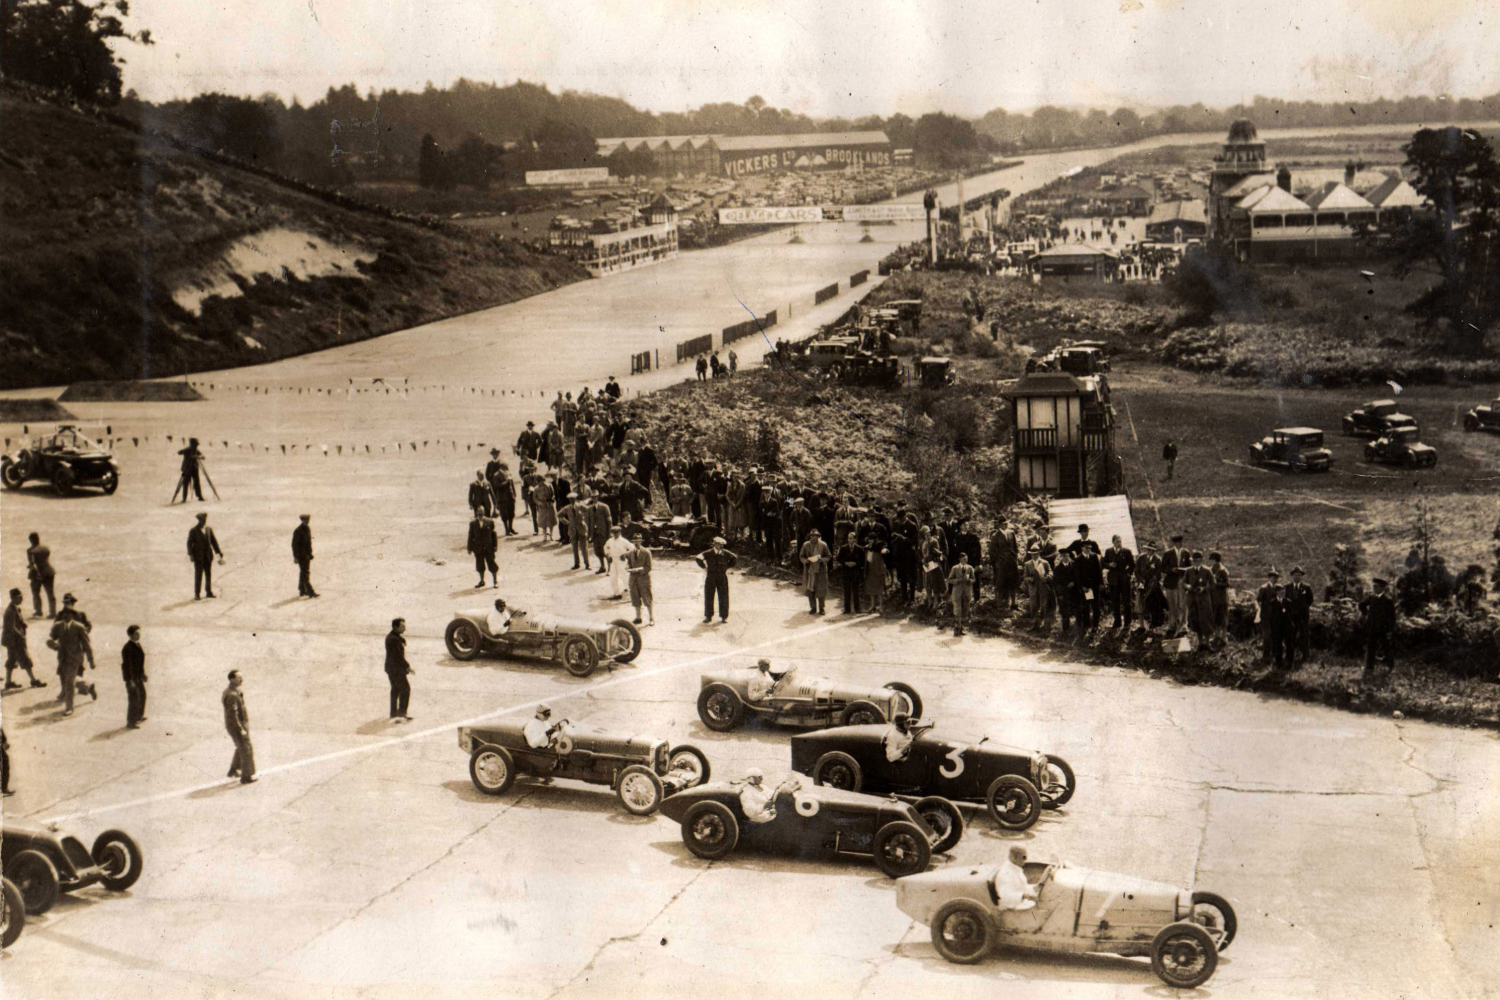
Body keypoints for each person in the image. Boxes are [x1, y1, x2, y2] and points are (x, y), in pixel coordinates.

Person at [48, 613, 95, 715]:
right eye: (64, 614)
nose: (66, 616)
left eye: (68, 614)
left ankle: (69, 708)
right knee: (66, 679)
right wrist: (53, 645)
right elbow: (51, 639)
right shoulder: (58, 626)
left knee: (69, 682)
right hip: (62, 658)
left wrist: (91, 660)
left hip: (75, 659)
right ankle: (88, 687)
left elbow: (86, 645)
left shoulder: (79, 627)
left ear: (72, 616)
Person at [4, 588, 44, 689]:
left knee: (11, 660)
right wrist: (21, 635)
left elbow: (17, 622)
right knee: (25, 659)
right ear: (13, 598)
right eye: (19, 597)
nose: (21, 599)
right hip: (14, 640)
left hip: (12, 640)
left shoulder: (15, 608)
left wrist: (23, 624)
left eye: (21, 597)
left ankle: (8, 682)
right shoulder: (10, 611)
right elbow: (11, 627)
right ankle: (33, 680)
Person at [1067, 525, 1103, 631]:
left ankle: (1095, 625)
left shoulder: (1093, 548)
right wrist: (1082, 586)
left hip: (1095, 584)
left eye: (1086, 532)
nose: (1084, 533)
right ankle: (1086, 624)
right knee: (1086, 605)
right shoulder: (1077, 547)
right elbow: (1077, 574)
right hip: (1085, 585)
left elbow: (1099, 570)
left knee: (1096, 606)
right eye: (1082, 532)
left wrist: (1101, 583)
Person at [223, 670, 256, 783]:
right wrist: (241, 729)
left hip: (237, 725)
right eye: (238, 678)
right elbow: (233, 715)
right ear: (232, 679)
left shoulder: (233, 691)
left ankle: (233, 770)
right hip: (236, 726)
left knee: (240, 747)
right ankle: (246, 776)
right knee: (246, 749)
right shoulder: (232, 695)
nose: (241, 680)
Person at [1360, 577, 1397, 676]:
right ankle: (1369, 668)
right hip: (1372, 627)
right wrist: (1365, 613)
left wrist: (1390, 629)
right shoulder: (1371, 597)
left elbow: (1392, 617)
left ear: (1382, 588)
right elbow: (1362, 604)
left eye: (1376, 587)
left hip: (1383, 628)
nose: (1374, 588)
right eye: (1373, 586)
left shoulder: (1388, 600)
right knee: (1371, 647)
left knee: (1386, 647)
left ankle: (1390, 666)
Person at [696, 537, 737, 623]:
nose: (721, 546)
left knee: (724, 596)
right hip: (711, 576)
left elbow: (734, 558)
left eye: (722, 545)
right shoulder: (708, 553)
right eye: (719, 544)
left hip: (722, 576)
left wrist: (727, 566)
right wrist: (704, 567)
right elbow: (698, 558)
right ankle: (708, 616)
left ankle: (724, 616)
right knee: (709, 595)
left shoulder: (725, 553)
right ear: (714, 544)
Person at [188, 512, 224, 600]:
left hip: (208, 556)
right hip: (198, 557)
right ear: (198, 520)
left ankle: (208, 592)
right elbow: (189, 543)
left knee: (208, 574)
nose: (203, 522)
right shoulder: (193, 530)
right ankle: (197, 594)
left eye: (204, 520)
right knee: (198, 575)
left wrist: (218, 552)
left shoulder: (208, 530)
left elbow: (214, 542)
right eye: (201, 520)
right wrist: (191, 555)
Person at [1102, 534, 1135, 629]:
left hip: (1124, 580)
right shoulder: (1108, 551)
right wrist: (1109, 565)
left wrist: (1128, 575)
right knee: (1115, 602)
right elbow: (1104, 563)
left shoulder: (1127, 551)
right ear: (1113, 542)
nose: (1119, 543)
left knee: (1126, 601)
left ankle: (1127, 623)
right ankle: (1117, 622)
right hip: (1113, 581)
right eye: (1117, 541)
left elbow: (1132, 565)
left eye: (1120, 541)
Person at [992, 846, 1039, 911]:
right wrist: (1024, 896)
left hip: (1020, 903)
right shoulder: (1005, 873)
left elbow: (1021, 887)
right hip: (1012, 909)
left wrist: (1034, 887)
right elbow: (1005, 897)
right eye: (1023, 857)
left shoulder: (1015, 869)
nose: (1025, 860)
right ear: (1014, 858)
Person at [989, 519, 1021, 611]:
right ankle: (999, 605)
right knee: (1000, 583)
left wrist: (1015, 557)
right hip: (1002, 563)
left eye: (1006, 523)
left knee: (1013, 582)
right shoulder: (995, 536)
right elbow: (992, 551)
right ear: (999, 525)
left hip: (1012, 562)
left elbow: (1015, 547)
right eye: (1003, 523)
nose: (1006, 525)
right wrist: (996, 562)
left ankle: (1014, 604)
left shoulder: (1011, 533)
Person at [386, 618, 413, 722]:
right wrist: (408, 666)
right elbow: (399, 656)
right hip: (396, 669)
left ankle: (393, 713)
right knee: (405, 689)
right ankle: (402, 713)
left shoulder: (392, 637)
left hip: (391, 668)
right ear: (395, 627)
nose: (404, 628)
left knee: (395, 689)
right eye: (402, 626)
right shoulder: (393, 639)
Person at [1185, 550, 1215, 645]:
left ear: (1201, 561)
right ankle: (1200, 643)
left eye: (1198, 560)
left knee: (1205, 620)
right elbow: (1183, 583)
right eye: (1194, 560)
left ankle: (1206, 642)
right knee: (1195, 620)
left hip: (1203, 599)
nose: (1196, 562)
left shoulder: (1207, 570)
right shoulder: (1188, 571)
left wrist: (1204, 588)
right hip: (1193, 599)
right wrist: (1188, 586)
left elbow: (1213, 584)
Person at [625, 530, 655, 626]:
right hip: (633, 580)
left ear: (641, 541)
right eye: (634, 541)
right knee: (635, 599)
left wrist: (640, 570)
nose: (636, 543)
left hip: (644, 580)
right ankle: (638, 618)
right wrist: (628, 567)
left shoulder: (646, 552)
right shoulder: (630, 553)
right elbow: (629, 563)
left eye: (638, 541)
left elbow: (649, 567)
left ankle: (651, 618)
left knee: (647, 599)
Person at [26, 532, 58, 620]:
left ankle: (38, 611)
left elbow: (33, 564)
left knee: (36, 592)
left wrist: (35, 572)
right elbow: (44, 561)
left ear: (31, 540)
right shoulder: (45, 549)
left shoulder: (30, 551)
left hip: (37, 573)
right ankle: (53, 612)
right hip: (48, 571)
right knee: (50, 593)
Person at [1161, 535, 1188, 636]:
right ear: (1175, 543)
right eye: (1179, 542)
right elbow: (1162, 568)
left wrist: (1184, 570)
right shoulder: (1168, 553)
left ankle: (1183, 626)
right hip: (1171, 582)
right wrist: (1171, 570)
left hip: (1182, 581)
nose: (1181, 544)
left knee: (1183, 604)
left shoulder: (1186, 553)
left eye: (1181, 542)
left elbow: (1189, 567)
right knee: (1172, 604)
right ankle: (1172, 625)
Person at [799, 528, 831, 615]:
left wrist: (822, 560)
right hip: (809, 570)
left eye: (815, 536)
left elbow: (828, 556)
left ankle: (821, 608)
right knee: (810, 589)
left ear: (818, 536)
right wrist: (805, 560)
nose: (814, 538)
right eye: (812, 536)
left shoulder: (823, 545)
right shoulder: (806, 545)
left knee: (821, 589)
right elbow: (801, 556)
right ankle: (813, 607)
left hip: (820, 570)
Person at [121, 625, 147, 728]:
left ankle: (139, 716)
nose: (139, 635)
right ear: (131, 635)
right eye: (136, 633)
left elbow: (140, 662)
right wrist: (129, 680)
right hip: (131, 678)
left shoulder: (138, 645)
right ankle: (131, 722)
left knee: (142, 695)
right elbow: (126, 666)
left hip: (138, 677)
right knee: (134, 699)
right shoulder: (127, 648)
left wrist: (142, 674)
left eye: (139, 633)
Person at [1287, 566, 1314, 663]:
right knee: (1291, 636)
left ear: (1302, 576)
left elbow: (1310, 600)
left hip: (1303, 616)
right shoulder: (1287, 587)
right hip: (1291, 616)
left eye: (1299, 575)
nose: (1297, 577)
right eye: (1295, 575)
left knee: (1304, 635)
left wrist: (1303, 608)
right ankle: (1290, 657)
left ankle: (1305, 656)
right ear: (1292, 576)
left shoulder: (1307, 587)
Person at [467, 509, 499, 588]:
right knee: (480, 565)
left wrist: (495, 546)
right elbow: (470, 536)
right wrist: (469, 548)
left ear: (484, 513)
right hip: (478, 548)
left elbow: (493, 535)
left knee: (492, 564)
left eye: (481, 513)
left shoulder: (490, 521)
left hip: (488, 548)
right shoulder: (473, 523)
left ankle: (495, 581)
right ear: (476, 514)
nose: (480, 515)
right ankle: (482, 581)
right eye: (478, 513)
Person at [835, 531, 866, 615]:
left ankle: (857, 608)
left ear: (855, 539)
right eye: (848, 538)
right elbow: (839, 558)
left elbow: (863, 560)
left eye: (851, 538)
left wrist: (856, 563)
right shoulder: (843, 548)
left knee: (856, 591)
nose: (849, 540)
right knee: (846, 591)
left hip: (855, 572)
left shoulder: (859, 549)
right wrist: (845, 563)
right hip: (846, 572)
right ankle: (847, 608)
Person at [558, 496, 591, 570]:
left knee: (584, 548)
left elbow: (589, 511)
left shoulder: (580, 506)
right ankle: (577, 564)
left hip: (581, 528)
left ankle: (587, 564)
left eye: (573, 499)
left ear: (576, 499)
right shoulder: (567, 508)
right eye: (570, 499)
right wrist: (567, 522)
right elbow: (559, 515)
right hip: (572, 529)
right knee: (574, 548)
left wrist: (584, 519)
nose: (572, 500)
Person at [1256, 569, 1281, 663]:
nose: (1275, 579)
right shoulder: (1263, 588)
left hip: (1275, 615)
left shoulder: (1277, 588)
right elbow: (1258, 600)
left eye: (1276, 578)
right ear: (1269, 578)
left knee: (1274, 634)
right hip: (1266, 615)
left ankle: (1273, 653)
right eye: (1273, 578)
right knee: (1267, 634)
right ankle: (1266, 654)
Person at [948, 552, 976, 636]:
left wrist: (969, 580)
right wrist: (957, 580)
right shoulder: (955, 568)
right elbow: (949, 580)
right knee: (957, 610)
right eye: (964, 559)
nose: (966, 561)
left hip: (966, 592)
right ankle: (957, 628)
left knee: (965, 610)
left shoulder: (970, 568)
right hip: (957, 592)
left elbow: (974, 580)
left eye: (966, 559)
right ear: (960, 559)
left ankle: (962, 627)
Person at [292, 514, 319, 598]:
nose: (307, 521)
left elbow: (309, 543)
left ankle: (302, 590)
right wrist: (296, 557)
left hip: (307, 556)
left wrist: (310, 553)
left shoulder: (307, 529)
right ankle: (310, 592)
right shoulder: (298, 530)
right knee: (305, 573)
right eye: (306, 520)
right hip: (301, 556)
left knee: (303, 572)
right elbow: (294, 545)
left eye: (308, 519)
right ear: (302, 520)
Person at [603, 525, 634, 600]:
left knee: (624, 576)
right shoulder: (610, 540)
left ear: (619, 533)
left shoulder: (623, 541)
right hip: (613, 560)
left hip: (621, 560)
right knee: (613, 577)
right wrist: (607, 554)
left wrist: (625, 554)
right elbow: (605, 547)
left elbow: (632, 548)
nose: (615, 534)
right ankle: (616, 593)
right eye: (613, 533)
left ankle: (631, 593)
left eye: (616, 533)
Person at [587, 497, 613, 576]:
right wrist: (589, 535)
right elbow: (589, 522)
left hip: (603, 533)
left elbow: (609, 521)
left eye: (595, 497)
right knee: (598, 551)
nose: (594, 499)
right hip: (595, 534)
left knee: (606, 551)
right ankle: (602, 567)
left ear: (598, 497)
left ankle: (610, 569)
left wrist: (609, 533)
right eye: (592, 497)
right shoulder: (590, 508)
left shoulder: (604, 507)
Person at [1208, 552, 1230, 642]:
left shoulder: (1223, 570)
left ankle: (1224, 637)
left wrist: (1216, 584)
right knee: (1216, 617)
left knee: (1223, 618)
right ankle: (1217, 636)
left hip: (1222, 598)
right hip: (1214, 598)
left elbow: (1227, 584)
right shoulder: (1211, 569)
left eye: (1213, 560)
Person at [177, 437, 205, 501]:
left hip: (194, 469)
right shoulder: (187, 450)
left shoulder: (195, 450)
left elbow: (201, 455)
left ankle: (199, 496)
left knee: (197, 483)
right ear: (192, 444)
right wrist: (187, 453)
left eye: (196, 445)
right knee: (185, 483)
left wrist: (199, 457)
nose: (196, 446)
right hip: (187, 469)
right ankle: (184, 498)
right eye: (195, 444)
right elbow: (179, 452)